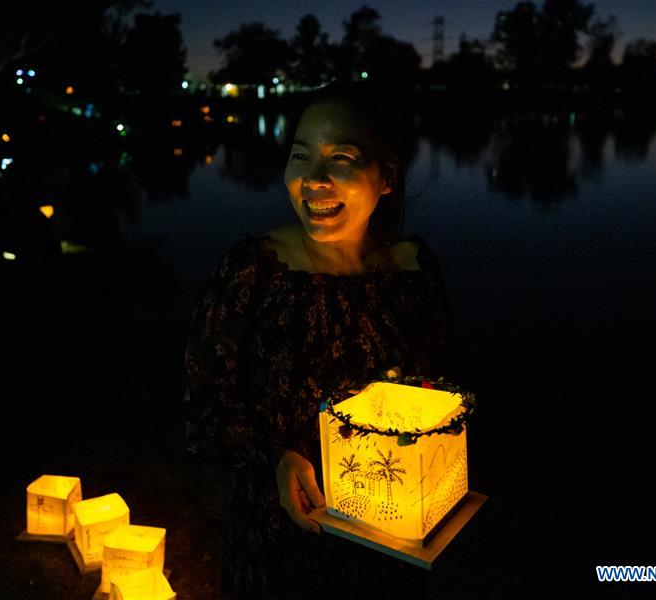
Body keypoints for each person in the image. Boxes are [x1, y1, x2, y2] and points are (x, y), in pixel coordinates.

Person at [183, 81, 455, 599]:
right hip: (279, 538)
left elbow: (443, 389)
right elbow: (204, 406)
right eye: (301, 156)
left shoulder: (412, 270)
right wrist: (274, 457)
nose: (312, 180)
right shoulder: (255, 271)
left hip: (387, 543)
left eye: (342, 158)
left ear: (387, 177)